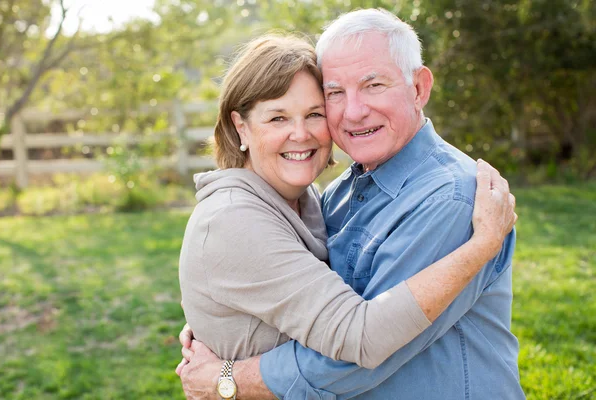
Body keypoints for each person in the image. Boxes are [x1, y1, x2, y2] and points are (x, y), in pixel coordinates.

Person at [178, 12, 523, 399]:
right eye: (335, 93)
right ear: (241, 127)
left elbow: (360, 354)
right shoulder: (336, 193)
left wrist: (226, 377)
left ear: (418, 88)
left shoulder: (453, 199)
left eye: (373, 85)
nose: (354, 111)